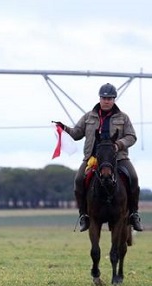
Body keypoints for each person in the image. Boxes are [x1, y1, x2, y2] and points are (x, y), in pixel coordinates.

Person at [54, 83, 143, 232]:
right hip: (93, 158)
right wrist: (64, 128)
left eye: (110, 98)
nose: (106, 100)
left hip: (118, 158)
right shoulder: (89, 116)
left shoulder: (123, 117)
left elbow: (132, 137)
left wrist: (119, 144)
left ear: (114, 99)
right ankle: (84, 215)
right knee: (78, 180)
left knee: (133, 178)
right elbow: (76, 134)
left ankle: (134, 214)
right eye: (104, 98)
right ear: (100, 98)